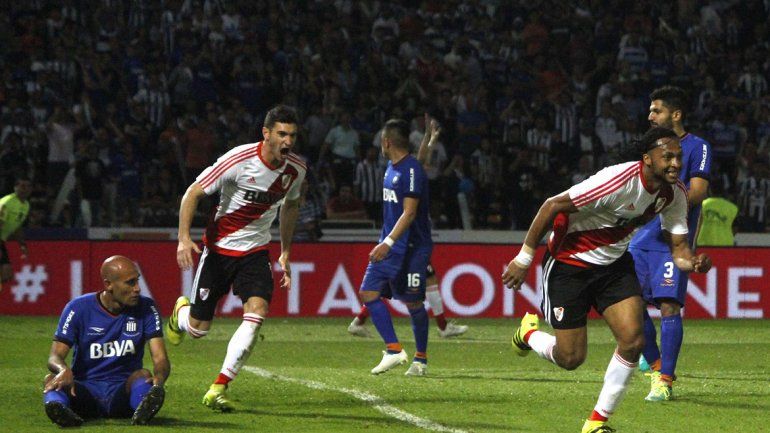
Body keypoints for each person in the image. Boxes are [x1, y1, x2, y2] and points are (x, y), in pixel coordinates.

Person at [502, 127, 712, 433]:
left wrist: (692, 262)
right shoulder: (618, 180)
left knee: (633, 340)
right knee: (571, 358)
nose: (676, 164)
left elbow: (679, 249)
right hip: (569, 265)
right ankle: (528, 334)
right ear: (647, 159)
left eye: (678, 157)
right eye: (667, 157)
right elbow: (552, 205)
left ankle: (596, 423)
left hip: (614, 265)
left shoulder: (674, 193)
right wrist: (524, 258)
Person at [166, 105, 306, 411]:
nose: (288, 141)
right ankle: (181, 314)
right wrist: (183, 238)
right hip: (219, 251)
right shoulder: (239, 159)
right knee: (198, 329)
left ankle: (219, 386)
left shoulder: (296, 170)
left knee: (257, 313)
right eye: (282, 134)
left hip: (255, 252)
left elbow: (291, 206)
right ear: (266, 133)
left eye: (293, 136)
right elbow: (193, 193)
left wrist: (285, 251)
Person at [348, 115, 468, 339]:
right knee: (413, 285)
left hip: (405, 237)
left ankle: (359, 320)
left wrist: (429, 139)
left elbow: (418, 162)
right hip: (408, 238)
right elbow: (417, 168)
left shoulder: (398, 167)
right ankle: (440, 329)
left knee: (395, 282)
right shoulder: (399, 169)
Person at [628, 86, 712, 402]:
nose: (650, 116)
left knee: (668, 306)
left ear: (675, 114)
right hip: (641, 238)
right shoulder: (650, 148)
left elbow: (698, 192)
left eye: (657, 110)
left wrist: (662, 205)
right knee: (631, 304)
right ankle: (656, 366)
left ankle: (664, 381)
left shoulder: (698, 147)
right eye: (650, 110)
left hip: (673, 238)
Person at [43, 256, 169, 427]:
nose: (138, 289)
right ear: (108, 284)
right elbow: (54, 356)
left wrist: (159, 381)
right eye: (130, 283)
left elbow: (160, 358)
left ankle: (142, 409)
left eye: (137, 281)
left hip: (122, 394)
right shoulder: (77, 308)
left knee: (144, 376)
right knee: (51, 379)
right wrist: (63, 369)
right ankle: (59, 410)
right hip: (84, 393)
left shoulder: (147, 308)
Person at [358, 118, 433, 376]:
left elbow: (409, 213)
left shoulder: (410, 170)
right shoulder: (394, 167)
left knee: (413, 303)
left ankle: (420, 359)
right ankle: (393, 349)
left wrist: (387, 242)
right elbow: (418, 164)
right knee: (368, 292)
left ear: (387, 141)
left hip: (410, 247)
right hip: (390, 244)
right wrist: (427, 140)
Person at [0, 176, 32, 292]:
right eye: (22, 186)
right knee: (5, 271)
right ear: (15, 187)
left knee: (7, 274)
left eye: (28, 186)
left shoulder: (26, 205)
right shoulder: (7, 202)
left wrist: (22, 244)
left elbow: (17, 226)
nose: (25, 189)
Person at [697, 179, 738, 246]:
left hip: (704, 243)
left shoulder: (702, 205)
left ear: (710, 190)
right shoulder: (733, 208)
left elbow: (696, 224)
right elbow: (736, 228)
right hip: (726, 244)